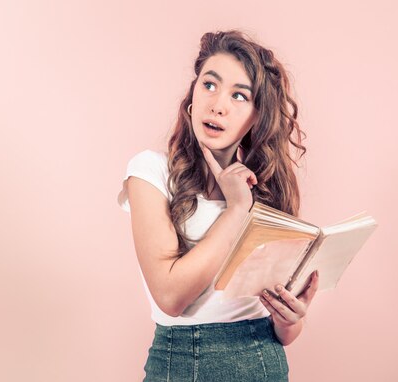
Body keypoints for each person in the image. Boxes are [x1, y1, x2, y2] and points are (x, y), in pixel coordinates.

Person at [118, 29, 320, 382]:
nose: (218, 104)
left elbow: (281, 331)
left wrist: (291, 319)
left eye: (239, 95)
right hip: (183, 361)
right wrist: (236, 210)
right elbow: (169, 295)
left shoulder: (267, 189)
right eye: (209, 85)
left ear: (257, 117)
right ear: (193, 97)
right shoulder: (151, 170)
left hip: (264, 362)